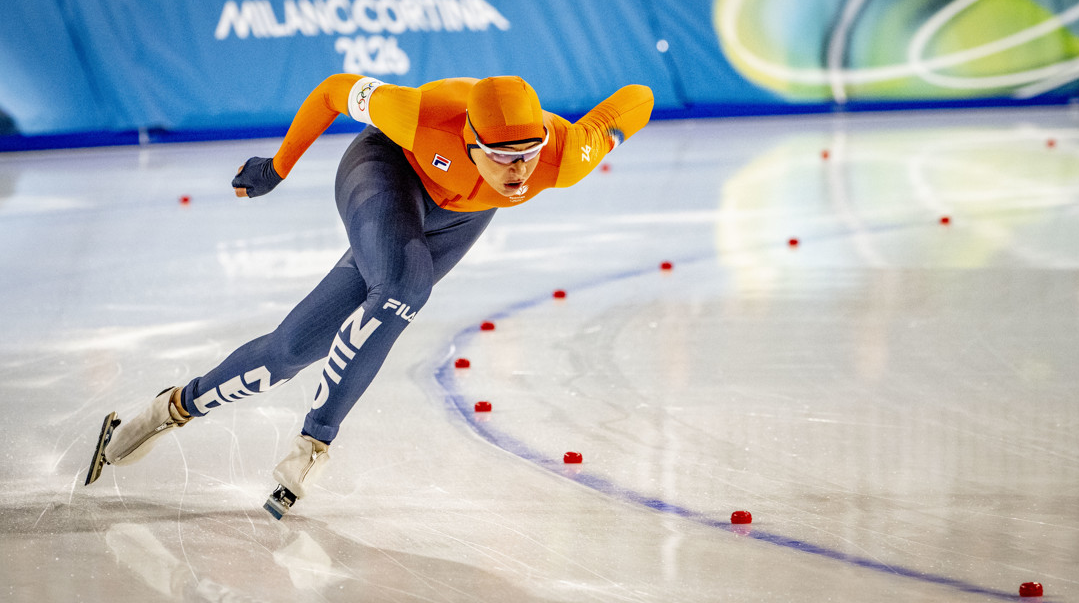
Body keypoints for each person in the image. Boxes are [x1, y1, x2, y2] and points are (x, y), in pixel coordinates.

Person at [84, 73, 654, 518]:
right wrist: (277, 167)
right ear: (468, 139)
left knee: (291, 350)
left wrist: (604, 127)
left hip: (459, 217)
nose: (520, 170)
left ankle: (168, 408)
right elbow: (334, 91)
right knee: (405, 286)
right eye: (502, 155)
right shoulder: (420, 115)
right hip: (386, 170)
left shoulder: (564, 155)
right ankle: (314, 442)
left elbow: (639, 98)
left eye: (528, 152)